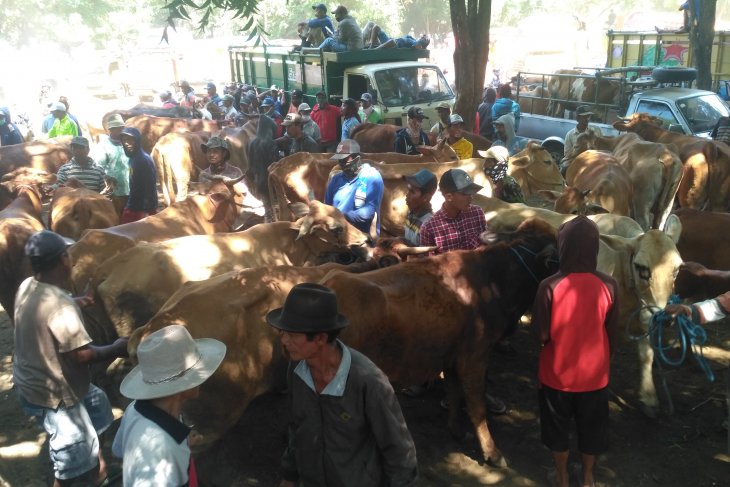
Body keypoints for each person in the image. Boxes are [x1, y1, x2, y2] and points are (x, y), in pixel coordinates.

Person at [267, 283, 418, 487]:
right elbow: (297, 427)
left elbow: (399, 451)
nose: (283, 341)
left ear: (320, 338)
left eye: (292, 335)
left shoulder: (369, 381)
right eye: (282, 332)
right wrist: (289, 475)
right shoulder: (296, 370)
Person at [14, 230, 128, 487]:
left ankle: (97, 471)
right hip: (54, 394)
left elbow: (48, 306)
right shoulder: (61, 307)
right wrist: (117, 347)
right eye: (67, 254)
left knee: (97, 408)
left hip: (33, 379)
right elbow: (83, 355)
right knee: (71, 459)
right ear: (64, 260)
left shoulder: (28, 285)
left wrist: (81, 300)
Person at [531, 215, 619, 487]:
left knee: (557, 430)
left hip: (556, 376)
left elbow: (541, 335)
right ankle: (589, 478)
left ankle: (562, 477)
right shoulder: (609, 284)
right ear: (595, 248)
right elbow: (613, 333)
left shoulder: (549, 285)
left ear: (563, 246)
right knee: (592, 430)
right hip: (595, 377)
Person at [112, 325, 225, 487]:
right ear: (181, 385)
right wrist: (170, 448)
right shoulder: (160, 453)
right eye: (197, 371)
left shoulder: (135, 409)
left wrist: (182, 444)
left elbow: (119, 450)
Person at [419, 168, 486, 255]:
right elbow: (430, 263)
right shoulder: (429, 227)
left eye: (471, 193)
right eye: (465, 194)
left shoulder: (477, 213)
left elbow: (485, 243)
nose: (471, 198)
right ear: (449, 197)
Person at [325, 139, 384, 236]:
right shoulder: (335, 179)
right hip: (337, 234)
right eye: (340, 160)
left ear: (357, 158)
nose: (342, 163)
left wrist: (340, 216)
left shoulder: (371, 177)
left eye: (345, 159)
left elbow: (367, 213)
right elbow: (327, 207)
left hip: (362, 237)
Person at [93, 114, 130, 215]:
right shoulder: (103, 146)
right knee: (116, 215)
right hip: (114, 191)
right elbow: (99, 168)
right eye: (117, 128)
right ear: (111, 130)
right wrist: (107, 179)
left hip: (130, 188)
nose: (120, 131)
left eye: (121, 128)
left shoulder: (128, 143)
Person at [119, 127, 157, 223]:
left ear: (137, 141)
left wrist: (145, 211)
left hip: (141, 209)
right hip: (134, 204)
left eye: (131, 140)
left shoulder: (143, 160)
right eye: (124, 140)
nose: (127, 143)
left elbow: (150, 186)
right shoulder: (133, 158)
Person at [402, 168, 436, 246]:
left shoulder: (428, 224)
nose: (407, 195)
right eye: (408, 190)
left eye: (412, 192)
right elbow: (408, 240)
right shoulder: (411, 214)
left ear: (425, 197)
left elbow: (425, 256)